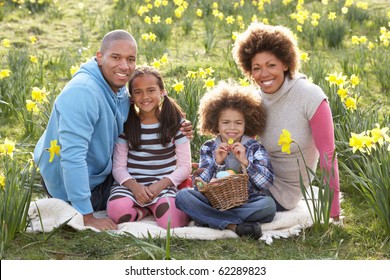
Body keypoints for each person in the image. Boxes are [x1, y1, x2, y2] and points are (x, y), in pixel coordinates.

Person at [34, 30, 192, 231]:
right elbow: (72, 158)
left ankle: (162, 197)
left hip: (101, 173)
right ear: (99, 57)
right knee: (120, 206)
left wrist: (177, 127)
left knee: (158, 186)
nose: (124, 66)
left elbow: (145, 119)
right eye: (116, 57)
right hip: (74, 185)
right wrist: (87, 216)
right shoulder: (82, 93)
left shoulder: (117, 90)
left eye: (130, 59)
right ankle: (150, 205)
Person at [232, 22, 340, 221]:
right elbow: (241, 143)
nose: (264, 74)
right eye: (256, 68)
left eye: (271, 65)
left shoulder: (310, 96)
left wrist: (333, 213)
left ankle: (216, 216)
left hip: (283, 193)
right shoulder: (256, 100)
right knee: (205, 192)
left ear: (285, 63)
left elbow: (328, 154)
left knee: (212, 202)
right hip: (255, 178)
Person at [175, 81, 276, 239]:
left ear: (246, 123)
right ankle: (235, 226)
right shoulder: (209, 147)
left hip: (247, 201)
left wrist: (246, 162)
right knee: (183, 197)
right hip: (214, 201)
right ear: (216, 123)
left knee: (268, 206)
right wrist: (217, 163)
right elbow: (199, 186)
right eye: (226, 122)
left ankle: (209, 218)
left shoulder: (254, 147)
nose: (232, 128)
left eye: (238, 123)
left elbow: (267, 183)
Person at [106, 66, 191, 229]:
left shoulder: (176, 125)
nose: (145, 97)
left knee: (171, 222)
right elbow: (118, 167)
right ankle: (142, 211)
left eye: (151, 90)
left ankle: (154, 208)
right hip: (131, 188)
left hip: (163, 187)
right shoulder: (125, 126)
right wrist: (135, 187)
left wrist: (159, 186)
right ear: (131, 97)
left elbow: (185, 167)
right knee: (116, 212)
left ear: (162, 91)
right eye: (138, 92)